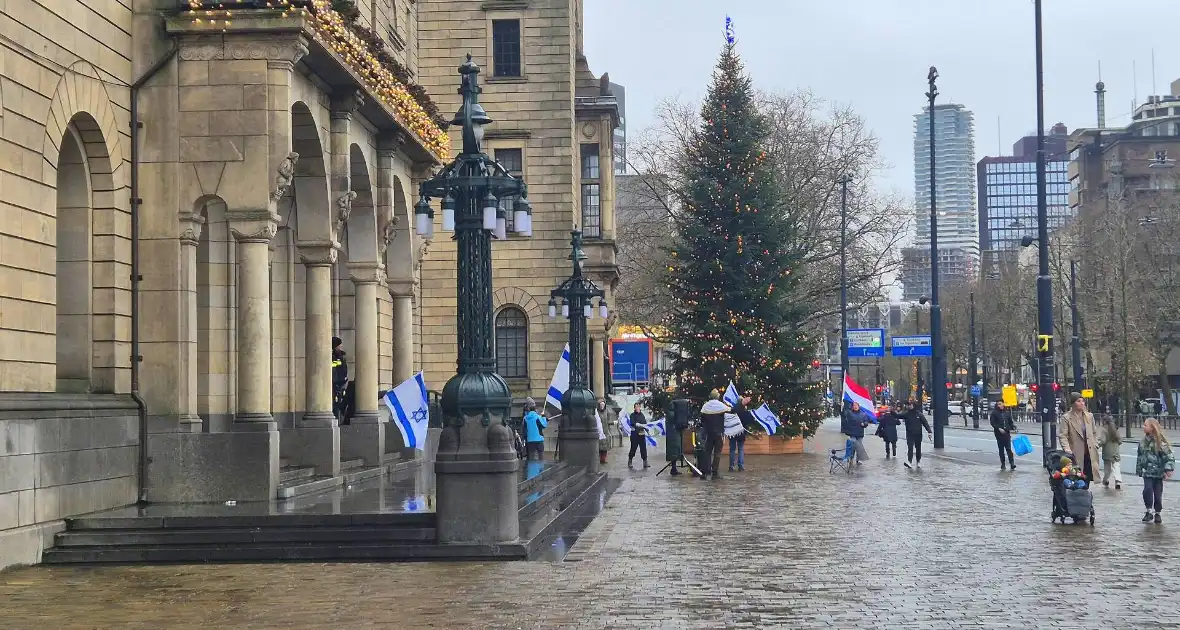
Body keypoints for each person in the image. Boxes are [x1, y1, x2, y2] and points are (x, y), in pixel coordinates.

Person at [1135, 418, 1174, 524]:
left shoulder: (1159, 441)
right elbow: (1140, 456)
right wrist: (1139, 468)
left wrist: (1168, 469)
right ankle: (1149, 511)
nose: (1143, 427)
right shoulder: (1143, 441)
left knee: (1158, 494)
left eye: (1145, 425)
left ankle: (1157, 513)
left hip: (1158, 473)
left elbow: (1168, 456)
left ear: (1152, 428)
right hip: (1147, 472)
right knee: (1147, 490)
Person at [1058, 393, 1100, 483]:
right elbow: (1063, 435)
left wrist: (1095, 444)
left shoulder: (1089, 416)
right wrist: (1067, 449)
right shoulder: (1066, 418)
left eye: (1083, 401)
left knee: (1087, 477)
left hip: (1089, 453)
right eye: (1078, 401)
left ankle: (1085, 494)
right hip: (1075, 453)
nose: (1082, 403)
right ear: (1073, 403)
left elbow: (1094, 432)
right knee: (1076, 477)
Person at [699, 390, 730, 480]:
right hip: (718, 433)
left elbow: (702, 420)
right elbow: (730, 411)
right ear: (717, 396)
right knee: (717, 453)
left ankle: (705, 472)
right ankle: (714, 472)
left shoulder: (705, 406)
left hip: (709, 433)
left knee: (707, 452)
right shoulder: (720, 405)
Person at [901, 399, 932, 470]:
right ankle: (909, 462)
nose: (909, 406)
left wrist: (929, 431)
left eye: (910, 405)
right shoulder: (907, 413)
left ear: (914, 406)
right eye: (908, 405)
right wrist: (892, 412)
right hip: (910, 434)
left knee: (918, 448)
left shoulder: (919, 414)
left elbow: (925, 423)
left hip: (918, 434)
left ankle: (918, 461)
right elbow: (898, 416)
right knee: (910, 448)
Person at [840, 401, 871, 465]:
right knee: (853, 446)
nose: (855, 406)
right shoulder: (849, 413)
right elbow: (843, 414)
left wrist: (864, 424)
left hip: (860, 433)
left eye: (856, 405)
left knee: (859, 446)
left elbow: (866, 422)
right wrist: (842, 406)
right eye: (854, 405)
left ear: (859, 406)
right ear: (852, 406)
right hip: (852, 433)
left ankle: (859, 459)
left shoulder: (863, 414)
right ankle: (851, 458)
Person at [728, 395, 754, 472]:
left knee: (732, 449)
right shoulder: (745, 411)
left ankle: (731, 466)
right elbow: (749, 420)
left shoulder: (733, 410)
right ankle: (741, 466)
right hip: (741, 432)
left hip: (732, 432)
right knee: (740, 449)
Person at [989, 400, 1016, 471]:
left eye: (1002, 404)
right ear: (997, 405)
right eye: (1000, 404)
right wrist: (998, 428)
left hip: (1006, 433)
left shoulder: (1006, 413)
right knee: (1001, 450)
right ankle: (1003, 464)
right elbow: (992, 423)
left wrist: (1013, 427)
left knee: (1009, 449)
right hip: (999, 434)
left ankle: (1012, 463)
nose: (1002, 405)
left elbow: (1010, 422)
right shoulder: (994, 413)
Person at [1097, 414, 1123, 490]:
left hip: (1107, 452)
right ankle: (1118, 480)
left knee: (1107, 468)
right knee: (1116, 466)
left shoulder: (1104, 430)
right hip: (1115, 452)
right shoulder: (1115, 429)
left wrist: (1097, 445)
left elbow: (1102, 441)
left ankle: (1106, 480)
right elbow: (1120, 440)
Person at [627, 402, 650, 469]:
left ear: (640, 407)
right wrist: (638, 424)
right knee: (633, 448)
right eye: (636, 406)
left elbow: (645, 423)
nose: (637, 408)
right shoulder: (632, 415)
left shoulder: (642, 415)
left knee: (643, 448)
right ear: (634, 408)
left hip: (641, 434)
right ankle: (630, 460)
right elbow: (632, 423)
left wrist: (647, 430)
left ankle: (645, 461)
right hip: (634, 434)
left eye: (638, 406)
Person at [331, 336, 348, 420]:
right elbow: (333, 368)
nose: (341, 346)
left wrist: (345, 378)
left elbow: (343, 368)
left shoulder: (341, 356)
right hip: (334, 382)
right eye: (339, 345)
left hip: (342, 381)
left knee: (341, 401)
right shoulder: (332, 356)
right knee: (335, 401)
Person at [596, 398, 615, 465]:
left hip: (605, 431)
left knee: (605, 447)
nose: (602, 406)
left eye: (603, 405)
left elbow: (608, 421)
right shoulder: (596, 412)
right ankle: (599, 458)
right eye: (601, 405)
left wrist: (613, 423)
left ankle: (603, 459)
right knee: (599, 446)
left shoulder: (607, 411)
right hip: (599, 431)